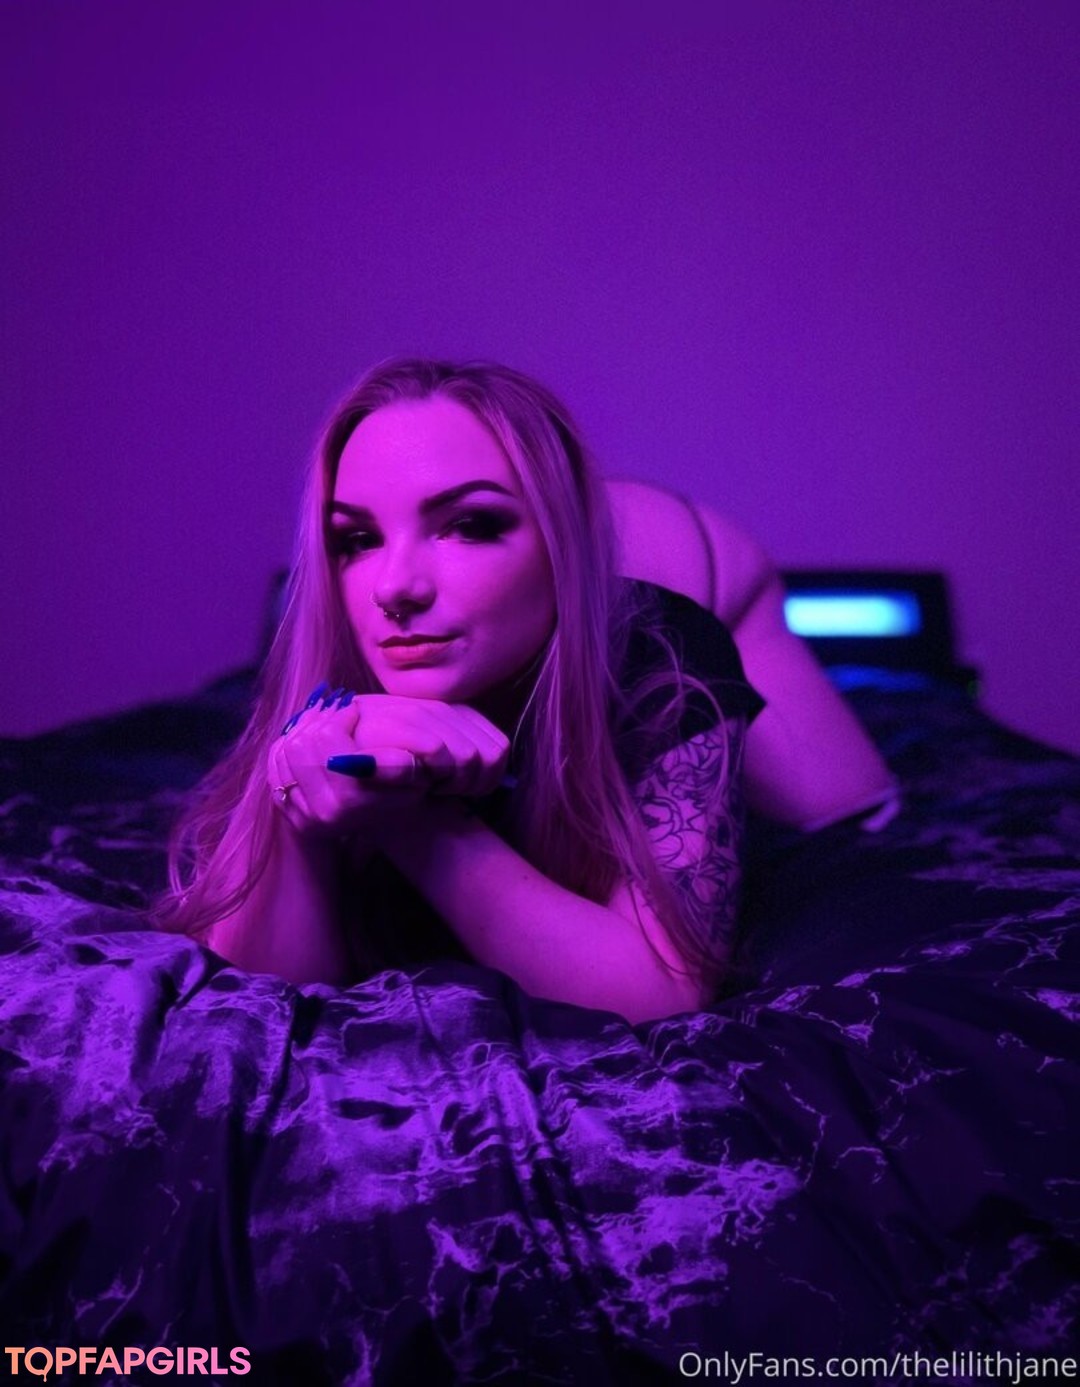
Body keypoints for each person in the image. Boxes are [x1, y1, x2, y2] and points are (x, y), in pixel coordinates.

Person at [151, 358, 899, 1024]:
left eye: (470, 525)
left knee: (848, 810)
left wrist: (414, 820)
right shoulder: (333, 648)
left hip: (692, 559)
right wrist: (300, 799)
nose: (394, 589)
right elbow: (256, 992)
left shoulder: (663, 645)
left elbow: (662, 995)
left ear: (560, 550)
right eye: (358, 538)